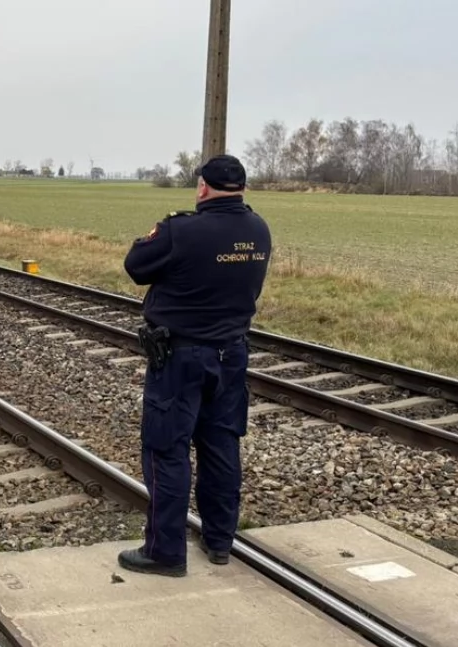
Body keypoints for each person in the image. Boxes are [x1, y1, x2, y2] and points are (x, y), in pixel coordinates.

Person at [117, 154, 272, 578]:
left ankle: (165, 552)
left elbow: (136, 266)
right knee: (221, 446)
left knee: (167, 449)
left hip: (181, 358)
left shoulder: (180, 230)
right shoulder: (259, 230)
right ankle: (220, 541)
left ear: (202, 187)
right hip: (232, 355)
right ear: (242, 188)